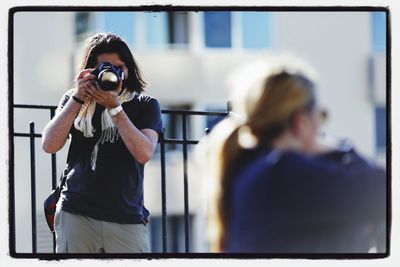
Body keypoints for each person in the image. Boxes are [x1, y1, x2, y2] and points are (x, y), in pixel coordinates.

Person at [204, 55, 386, 253]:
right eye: (320, 115)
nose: (321, 127)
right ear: (301, 121)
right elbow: (382, 191)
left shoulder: (249, 168)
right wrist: (339, 148)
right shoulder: (286, 174)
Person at [42, 33, 163, 253]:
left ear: (129, 70)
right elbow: (49, 145)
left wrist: (115, 108)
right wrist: (78, 97)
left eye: (120, 67)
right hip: (76, 211)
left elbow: (144, 152)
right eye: (106, 68)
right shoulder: (75, 100)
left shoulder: (145, 104)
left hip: (126, 217)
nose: (114, 73)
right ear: (90, 71)